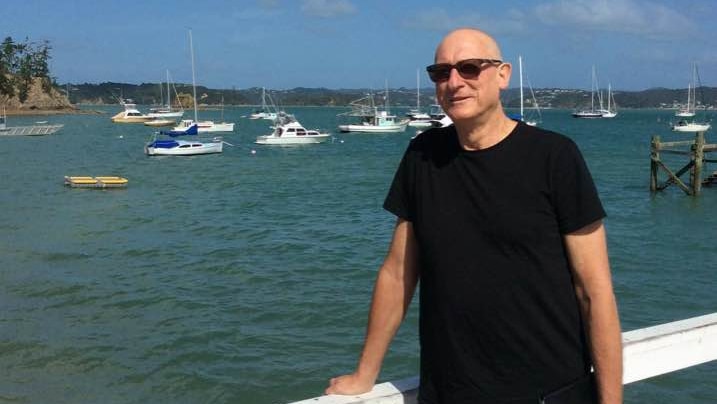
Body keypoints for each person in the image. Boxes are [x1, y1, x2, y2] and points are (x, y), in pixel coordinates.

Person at [326, 28, 623, 404]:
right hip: (449, 392)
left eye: (469, 68)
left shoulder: (554, 158)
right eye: (441, 72)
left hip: (547, 391)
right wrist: (365, 373)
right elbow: (398, 271)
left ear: (502, 75)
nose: (454, 82)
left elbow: (594, 292)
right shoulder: (423, 155)